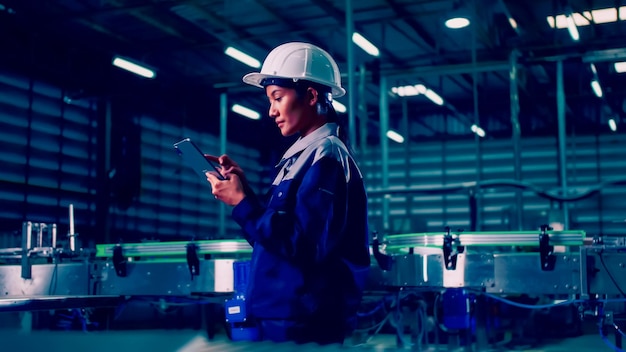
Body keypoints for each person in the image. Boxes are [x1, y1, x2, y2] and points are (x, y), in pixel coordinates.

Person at [205, 42, 370, 345]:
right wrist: (246, 197)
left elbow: (303, 246)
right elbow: (271, 241)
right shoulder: (302, 158)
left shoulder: (326, 156)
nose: (271, 111)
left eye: (277, 98)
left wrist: (243, 203)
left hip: (306, 319)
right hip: (288, 314)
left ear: (310, 96)